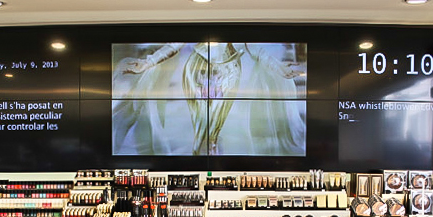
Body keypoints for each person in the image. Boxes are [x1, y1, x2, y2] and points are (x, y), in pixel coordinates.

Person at [113, 42, 305, 156]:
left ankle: (210, 156)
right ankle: (201, 156)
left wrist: (279, 68)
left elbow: (255, 49)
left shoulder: (240, 20)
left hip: (229, 69)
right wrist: (148, 62)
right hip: (197, 68)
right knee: (200, 125)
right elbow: (175, 44)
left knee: (216, 123)